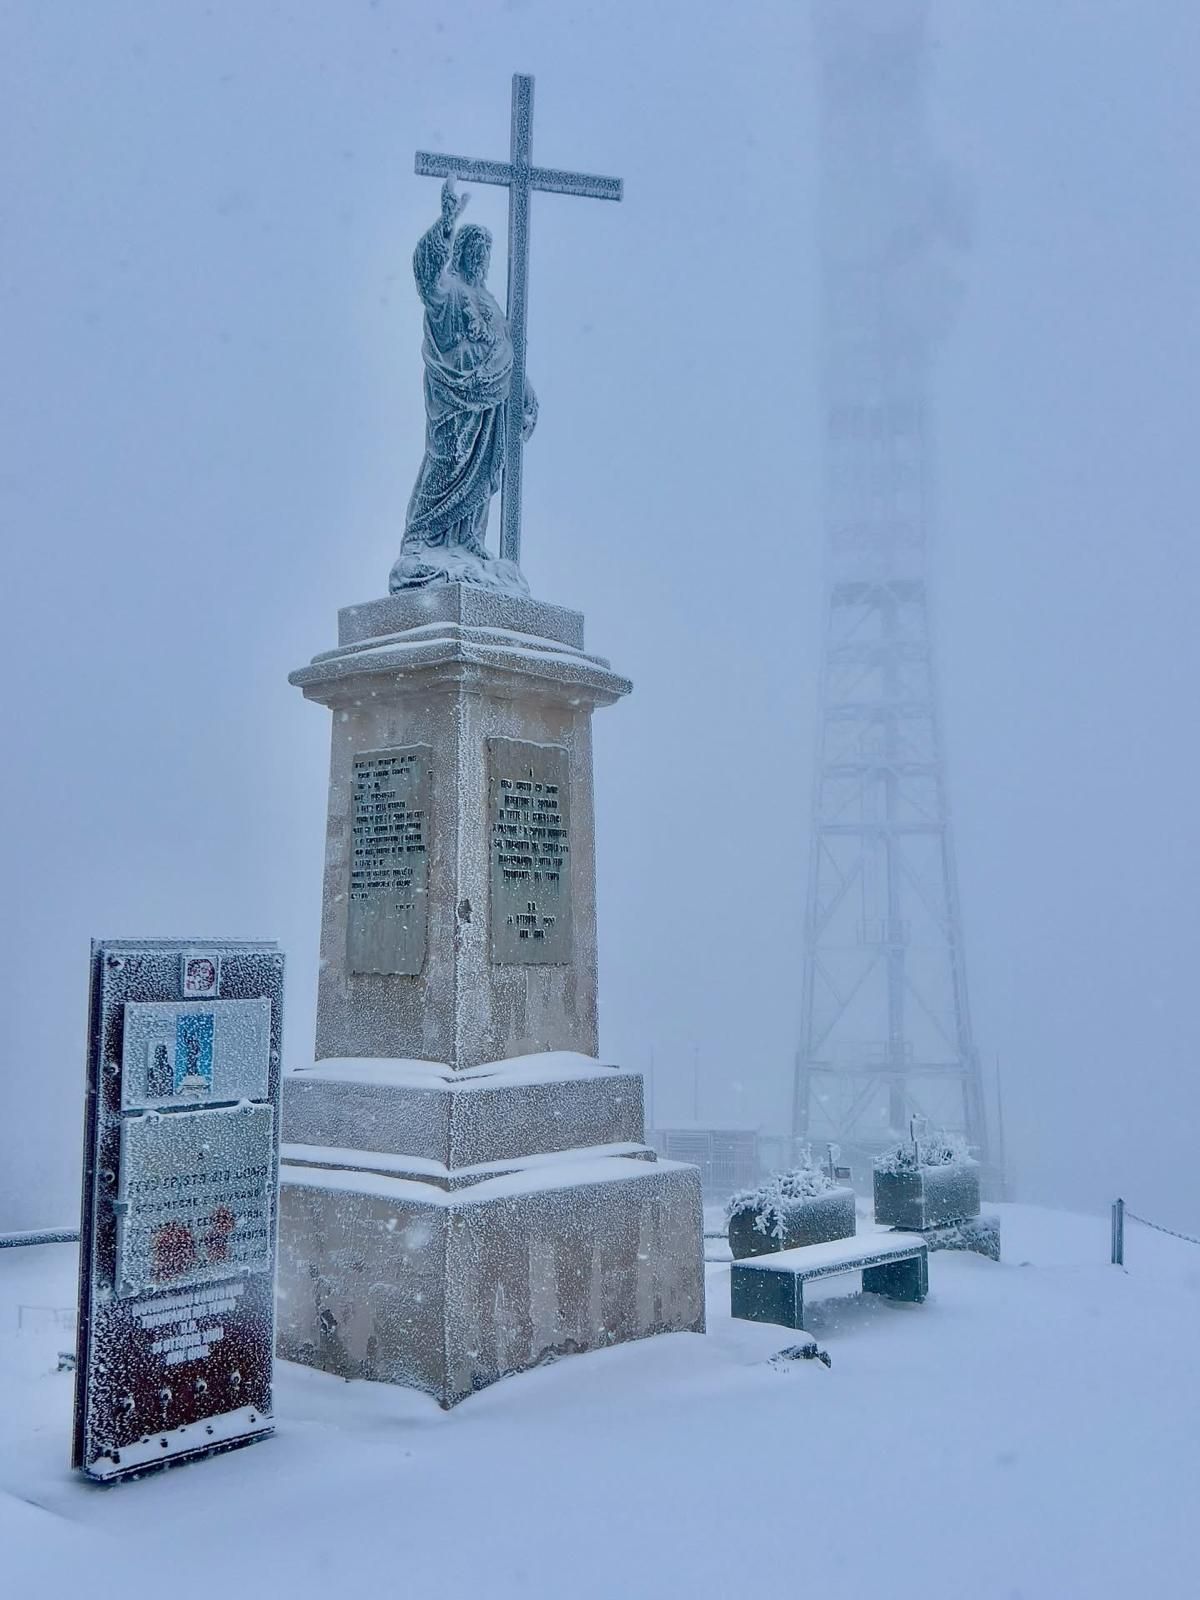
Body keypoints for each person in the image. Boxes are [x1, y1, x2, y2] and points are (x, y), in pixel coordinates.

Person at [389, 177, 536, 593]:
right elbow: (426, 274)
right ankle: (421, 537)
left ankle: (467, 538)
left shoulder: (489, 301)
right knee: (447, 462)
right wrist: (447, 225)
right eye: (476, 252)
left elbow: (508, 350)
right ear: (464, 253)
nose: (482, 260)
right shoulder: (448, 290)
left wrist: (523, 390)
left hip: (491, 402)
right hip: (455, 401)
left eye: (486, 254)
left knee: (481, 471)